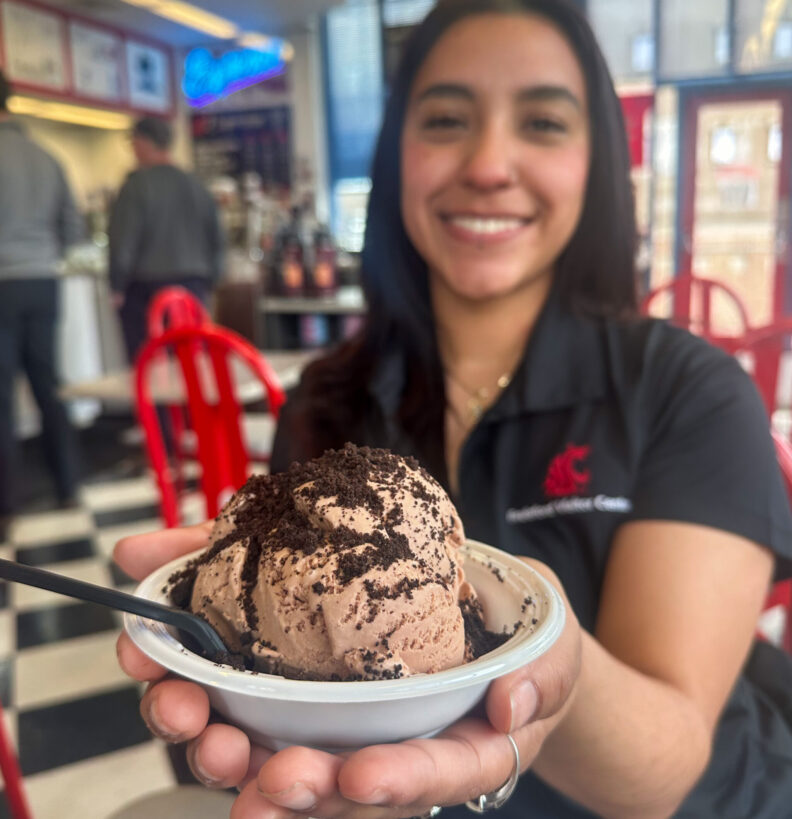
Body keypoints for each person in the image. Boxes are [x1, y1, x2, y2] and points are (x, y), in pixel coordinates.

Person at [114, 1, 792, 817]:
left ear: (598, 161)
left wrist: (550, 668)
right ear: (396, 157)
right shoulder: (330, 399)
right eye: (445, 119)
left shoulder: (690, 391)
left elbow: (666, 765)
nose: (488, 163)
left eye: (542, 121)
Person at [0, 69, 83, 540]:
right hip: (44, 281)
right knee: (49, 386)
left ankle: (6, 505)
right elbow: (73, 230)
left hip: (1, 284)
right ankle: (68, 485)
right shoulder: (48, 158)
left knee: (1, 398)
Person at [108, 116, 224, 362]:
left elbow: (122, 241)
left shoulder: (136, 185)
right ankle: (189, 402)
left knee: (150, 364)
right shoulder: (195, 184)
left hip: (146, 291)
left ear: (144, 142)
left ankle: (156, 403)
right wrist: (212, 282)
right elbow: (217, 238)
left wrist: (116, 285)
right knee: (189, 360)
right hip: (193, 287)